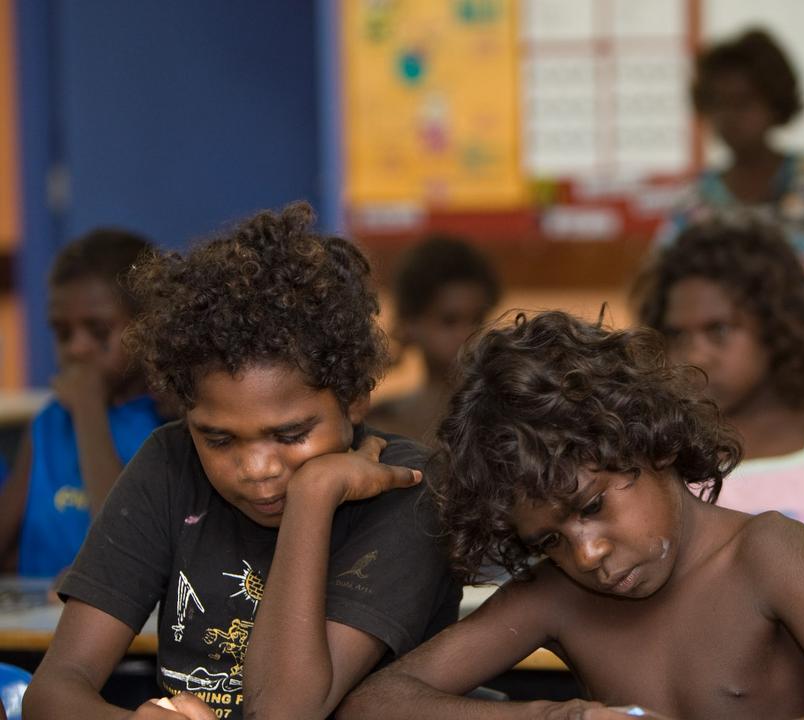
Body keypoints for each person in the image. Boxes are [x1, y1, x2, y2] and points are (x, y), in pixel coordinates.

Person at [338, 311, 804, 720]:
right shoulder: (560, 596)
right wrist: (558, 716)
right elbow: (375, 704)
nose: (587, 554)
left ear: (655, 444)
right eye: (549, 541)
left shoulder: (768, 553)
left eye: (593, 506)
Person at [23, 203, 460, 720]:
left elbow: (282, 712)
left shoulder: (409, 491)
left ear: (354, 398)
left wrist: (313, 496)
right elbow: (52, 693)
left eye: (291, 434)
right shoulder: (170, 463)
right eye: (220, 439)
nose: (256, 467)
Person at [635, 215, 804, 567]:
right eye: (677, 335)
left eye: (717, 330)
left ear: (776, 330)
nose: (694, 355)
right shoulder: (665, 449)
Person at [0, 229, 166, 578]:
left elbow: (126, 544)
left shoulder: (166, 427)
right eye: (63, 333)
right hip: (35, 626)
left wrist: (89, 409)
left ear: (151, 326)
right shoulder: (48, 422)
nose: (76, 348)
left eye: (98, 331)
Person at [655, 28, 804, 298]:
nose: (729, 116)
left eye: (743, 102)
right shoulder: (694, 205)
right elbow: (660, 291)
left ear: (775, 104)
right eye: (718, 103)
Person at [366, 234, 500, 444]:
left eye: (477, 320)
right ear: (408, 324)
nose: (467, 334)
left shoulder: (503, 417)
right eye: (449, 321)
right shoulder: (378, 422)